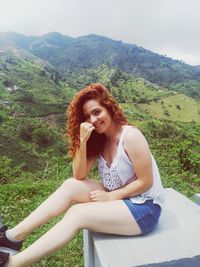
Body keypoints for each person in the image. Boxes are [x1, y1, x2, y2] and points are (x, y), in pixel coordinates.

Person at [0, 83, 164, 267]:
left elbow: (146, 181)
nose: (93, 120)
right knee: (71, 185)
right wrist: (83, 141)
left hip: (144, 207)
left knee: (78, 213)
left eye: (97, 112)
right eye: (87, 116)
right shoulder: (101, 139)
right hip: (121, 198)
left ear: (109, 108)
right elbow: (79, 175)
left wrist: (111, 196)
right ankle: (11, 237)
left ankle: (11, 264)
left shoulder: (131, 136)